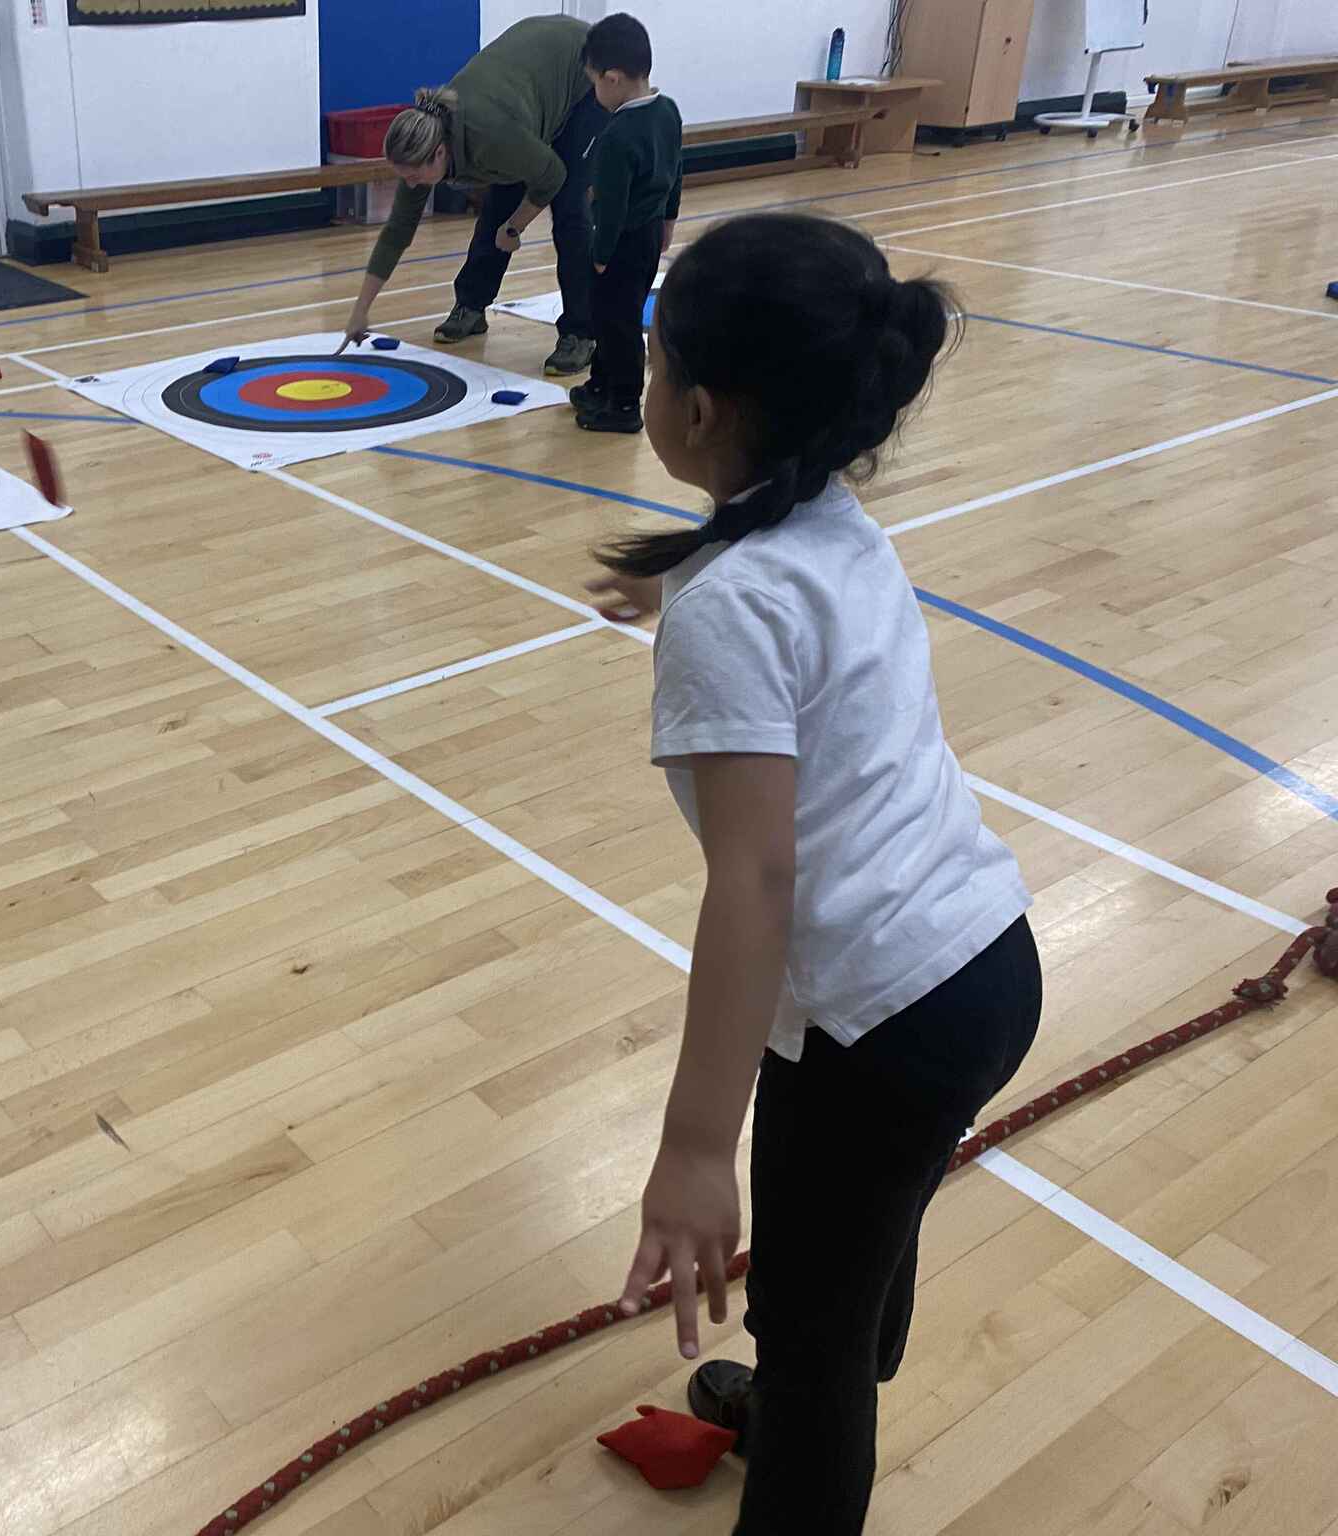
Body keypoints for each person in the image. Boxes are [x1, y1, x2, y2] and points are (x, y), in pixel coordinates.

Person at [584, 212, 1042, 1535]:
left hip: (874, 1023)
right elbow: (774, 598)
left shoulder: (735, 601)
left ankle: (807, 1417)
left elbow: (755, 882)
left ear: (696, 408)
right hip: (981, 963)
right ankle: (816, 1370)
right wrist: (684, 586)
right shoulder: (827, 519)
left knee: (810, 1322)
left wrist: (691, 1148)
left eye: (654, 365)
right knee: (860, 1233)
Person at [340, 15, 606, 376]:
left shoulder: (491, 135)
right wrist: (360, 310)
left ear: (439, 153)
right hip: (525, 96)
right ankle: (471, 305)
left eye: (414, 176)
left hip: (582, 70)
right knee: (500, 200)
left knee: (570, 210)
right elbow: (396, 232)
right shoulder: (422, 149)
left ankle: (581, 333)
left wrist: (514, 227)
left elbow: (552, 177)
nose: (411, 185)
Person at [571, 14, 682, 434]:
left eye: (594, 81)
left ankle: (623, 404)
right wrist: (670, 218)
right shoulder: (667, 111)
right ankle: (601, 384)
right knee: (617, 314)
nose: (594, 91)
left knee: (616, 322)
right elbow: (676, 169)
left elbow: (612, 206)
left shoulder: (618, 133)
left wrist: (600, 254)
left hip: (620, 242)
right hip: (649, 235)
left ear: (613, 78)